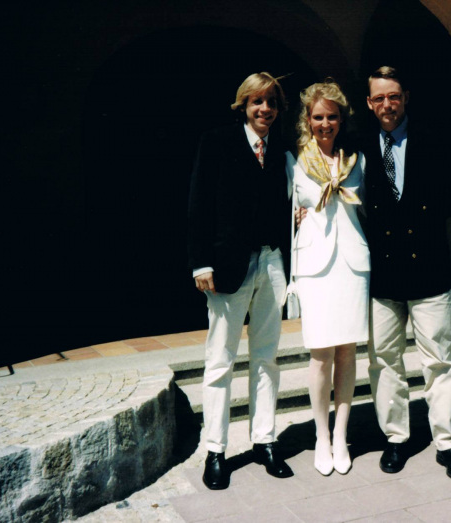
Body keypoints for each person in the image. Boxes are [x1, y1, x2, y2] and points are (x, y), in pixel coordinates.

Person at [361, 66, 451, 482]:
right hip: (383, 274)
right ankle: (396, 439)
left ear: (405, 96)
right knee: (384, 361)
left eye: (393, 96)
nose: (387, 105)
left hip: (429, 266)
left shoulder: (433, 138)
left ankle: (448, 445)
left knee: (441, 362)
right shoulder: (359, 145)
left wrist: (425, 214)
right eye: (379, 98)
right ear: (369, 102)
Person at [187, 72, 293, 490]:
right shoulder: (216, 142)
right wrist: (200, 264)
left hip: (272, 263)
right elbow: (198, 204)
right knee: (220, 360)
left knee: (266, 356)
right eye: (257, 102)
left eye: (271, 102)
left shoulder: (283, 149)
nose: (264, 109)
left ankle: (264, 441)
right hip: (228, 266)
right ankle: (216, 450)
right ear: (243, 105)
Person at [287, 80, 369, 476]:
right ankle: (321, 435)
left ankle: (341, 434)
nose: (325, 123)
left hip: (352, 264)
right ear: (308, 119)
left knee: (347, 353)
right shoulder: (296, 162)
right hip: (315, 266)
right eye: (318, 116)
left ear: (341, 119)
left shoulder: (358, 161)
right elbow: (283, 211)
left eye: (331, 116)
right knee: (320, 355)